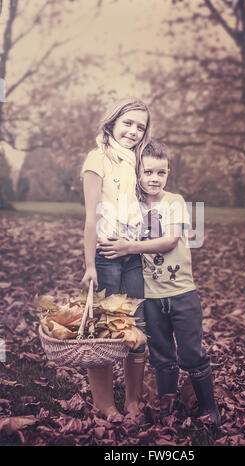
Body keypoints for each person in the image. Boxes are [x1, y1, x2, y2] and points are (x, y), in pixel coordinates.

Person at [99, 140, 221, 425]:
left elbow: (169, 241)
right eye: (148, 172)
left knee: (191, 353)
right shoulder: (131, 207)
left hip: (182, 292)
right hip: (150, 297)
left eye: (161, 172)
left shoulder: (174, 202)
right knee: (162, 355)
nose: (154, 178)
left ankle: (208, 406)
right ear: (137, 174)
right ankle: (167, 406)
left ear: (168, 173)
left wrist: (129, 247)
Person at [80, 97, 151, 420]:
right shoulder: (98, 159)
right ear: (111, 123)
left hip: (132, 255)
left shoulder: (136, 162)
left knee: (137, 328)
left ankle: (133, 401)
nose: (134, 131)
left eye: (141, 126)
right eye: (128, 123)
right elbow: (91, 217)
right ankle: (105, 404)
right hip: (107, 255)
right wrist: (91, 264)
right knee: (106, 330)